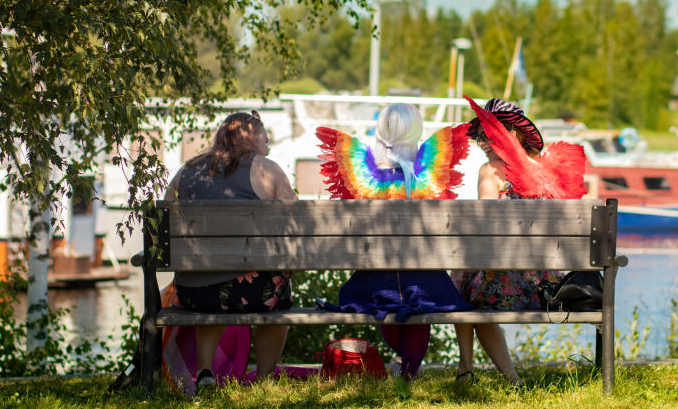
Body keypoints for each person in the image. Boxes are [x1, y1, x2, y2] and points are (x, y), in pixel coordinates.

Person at [316, 103, 472, 379]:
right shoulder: (425, 179)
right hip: (424, 278)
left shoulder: (364, 177)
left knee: (388, 300)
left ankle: (404, 365)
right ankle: (408, 370)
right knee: (420, 299)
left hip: (374, 280)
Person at [453, 97, 588, 385]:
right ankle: (476, 373)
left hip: (505, 285)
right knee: (466, 281)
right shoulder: (551, 171)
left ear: (511, 134)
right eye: (479, 136)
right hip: (549, 285)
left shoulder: (490, 172)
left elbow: (485, 227)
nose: (482, 142)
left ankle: (475, 372)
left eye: (487, 134)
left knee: (462, 292)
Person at [164, 110, 297, 389]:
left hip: (192, 292)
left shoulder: (187, 169)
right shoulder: (267, 169)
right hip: (252, 293)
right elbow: (296, 224)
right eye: (265, 136)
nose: (269, 143)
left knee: (213, 280)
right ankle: (263, 379)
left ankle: (205, 372)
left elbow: (165, 216)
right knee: (278, 293)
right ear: (251, 137)